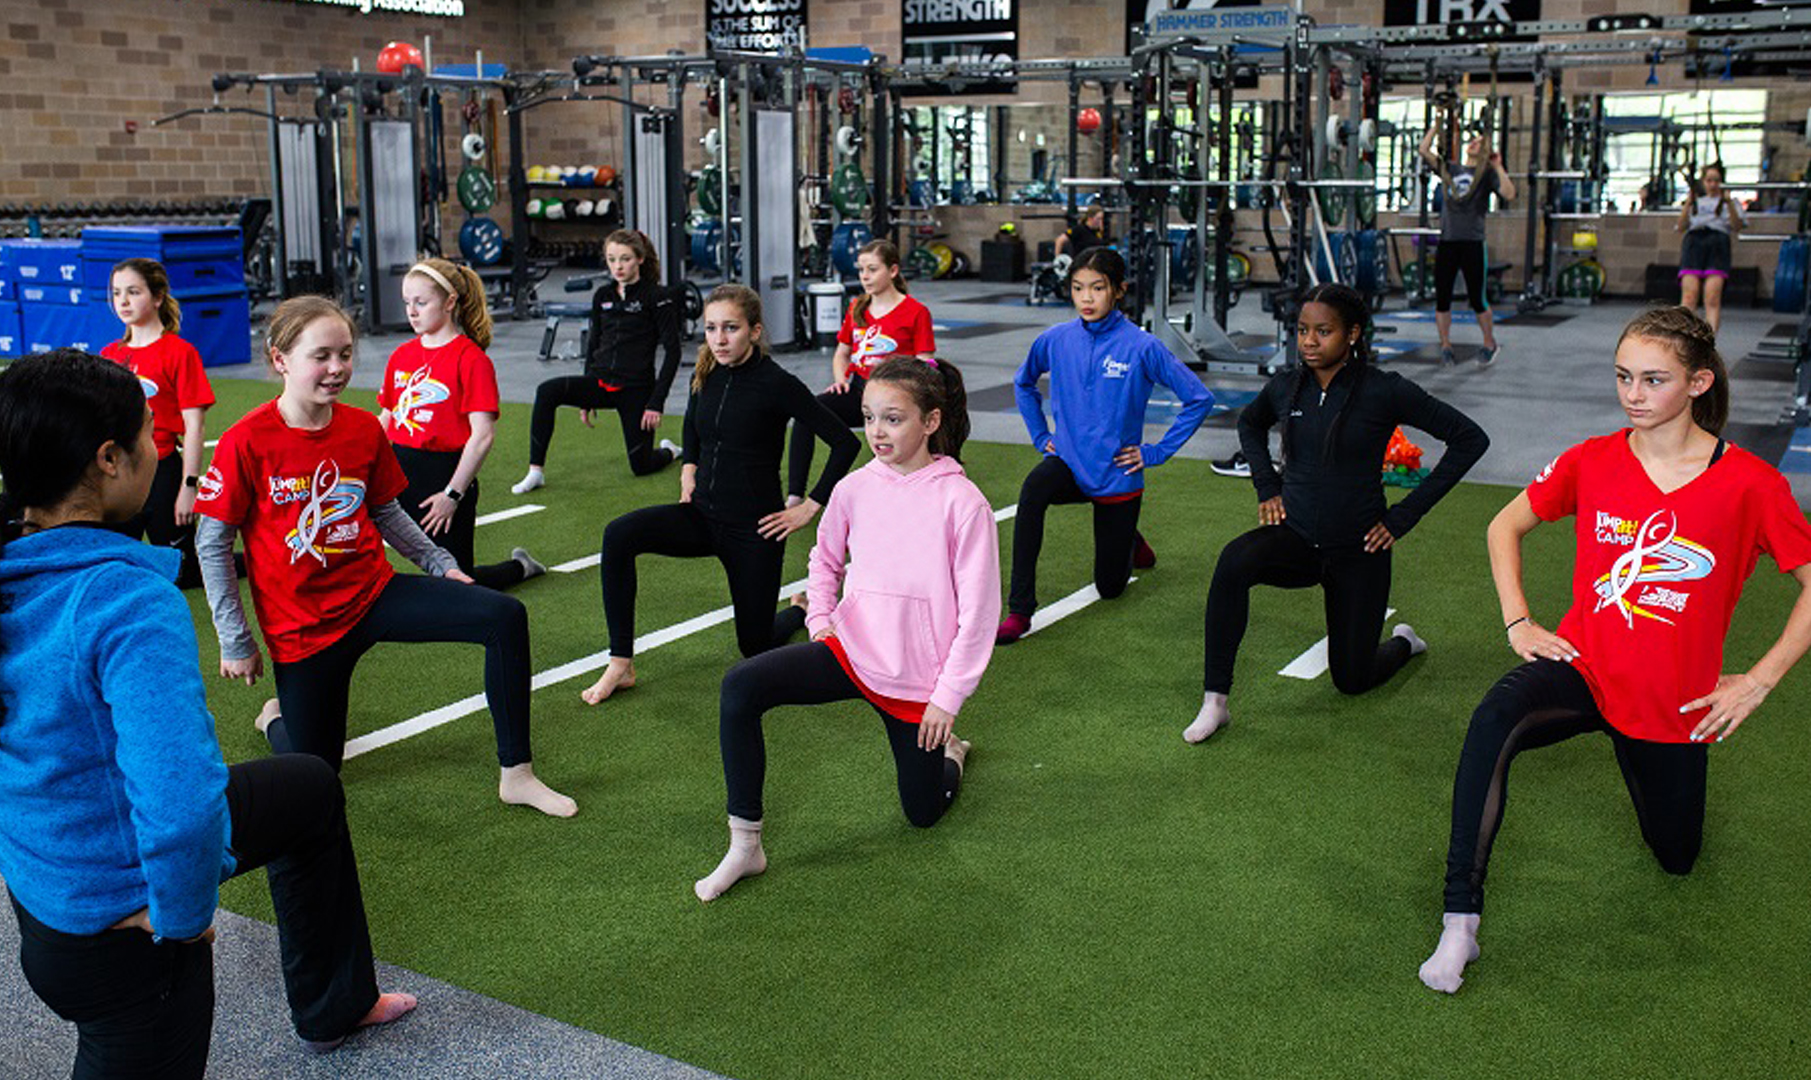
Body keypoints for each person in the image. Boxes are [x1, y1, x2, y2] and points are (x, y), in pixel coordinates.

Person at [0, 351, 417, 1075]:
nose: (158, 454)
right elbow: (183, 809)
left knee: (308, 788)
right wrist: (182, 919)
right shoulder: (126, 601)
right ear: (109, 460)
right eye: (147, 440)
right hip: (124, 936)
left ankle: (335, 1003)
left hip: (46, 905)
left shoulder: (17, 568)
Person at [1418, 306, 1811, 993]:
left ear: (1696, 383)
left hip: (1670, 704)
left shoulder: (1751, 484)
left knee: (1675, 856)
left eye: (1652, 380)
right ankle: (1460, 921)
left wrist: (1758, 679)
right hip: (1582, 668)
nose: (1632, 394)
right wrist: (1519, 624)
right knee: (1490, 722)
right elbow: (1502, 526)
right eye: (1623, 376)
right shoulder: (1590, 460)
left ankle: (1650, 787)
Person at [194, 296, 576, 817]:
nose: (336, 369)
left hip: (374, 593)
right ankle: (276, 720)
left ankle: (518, 774)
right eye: (321, 355)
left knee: (503, 616)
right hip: (302, 627)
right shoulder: (246, 442)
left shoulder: (363, 428)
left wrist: (440, 564)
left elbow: (387, 512)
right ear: (280, 359)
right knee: (318, 774)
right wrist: (236, 638)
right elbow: (212, 544)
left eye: (345, 354)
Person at [694, 355, 997, 902]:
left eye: (893, 418)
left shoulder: (962, 502)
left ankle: (951, 752)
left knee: (923, 814)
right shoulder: (855, 487)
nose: (876, 432)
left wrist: (947, 699)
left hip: (915, 681)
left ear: (930, 422)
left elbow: (979, 614)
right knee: (741, 686)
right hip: (850, 650)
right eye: (869, 417)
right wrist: (821, 622)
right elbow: (824, 560)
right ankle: (746, 845)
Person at [1185, 283, 1489, 743]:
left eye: (1322, 331)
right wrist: (1268, 485)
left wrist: (1403, 516)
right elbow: (1251, 423)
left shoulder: (1384, 391)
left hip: (1359, 551)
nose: (1309, 341)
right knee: (1233, 561)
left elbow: (1470, 439)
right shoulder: (1288, 385)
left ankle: (1404, 642)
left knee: (1352, 680)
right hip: (1299, 540)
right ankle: (1215, 702)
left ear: (1351, 334)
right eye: (1303, 330)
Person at [581, 284, 860, 705]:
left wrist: (808, 507)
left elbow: (844, 443)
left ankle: (799, 611)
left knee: (755, 647)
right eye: (712, 328)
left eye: (731, 328)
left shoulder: (777, 383)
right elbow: (692, 428)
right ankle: (621, 662)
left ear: (754, 330)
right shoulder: (706, 373)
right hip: (701, 517)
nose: (719, 338)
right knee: (619, 535)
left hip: (755, 532)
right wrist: (688, 472)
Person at [996, 247, 1212, 645]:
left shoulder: (1142, 346)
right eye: (1078, 288)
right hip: (1069, 465)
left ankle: (1130, 536)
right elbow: (1023, 383)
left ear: (1118, 291)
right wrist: (1041, 437)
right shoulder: (1055, 339)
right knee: (1033, 490)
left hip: (1117, 474)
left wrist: (1156, 452)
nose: (1087, 298)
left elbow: (1199, 398)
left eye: (1097, 288)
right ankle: (1019, 609)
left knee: (1109, 588)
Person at [380, 257, 544, 591]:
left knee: (458, 583)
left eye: (421, 303)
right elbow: (387, 418)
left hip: (443, 477)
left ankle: (519, 568)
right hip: (398, 471)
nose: (411, 311)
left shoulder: (471, 359)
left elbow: (482, 436)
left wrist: (452, 495)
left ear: (450, 302)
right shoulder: (401, 355)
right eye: (407, 303)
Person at [512, 230, 682, 494]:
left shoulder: (657, 296)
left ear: (639, 258)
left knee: (641, 465)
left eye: (625, 259)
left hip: (636, 389)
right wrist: (585, 396)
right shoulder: (602, 295)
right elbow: (593, 343)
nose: (618, 266)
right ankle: (536, 471)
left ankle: (669, 451)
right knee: (547, 391)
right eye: (612, 259)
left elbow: (673, 352)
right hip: (600, 382)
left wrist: (655, 402)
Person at [785, 239, 934, 508]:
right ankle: (796, 495)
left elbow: (925, 363)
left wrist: (905, 395)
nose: (865, 276)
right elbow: (842, 353)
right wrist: (840, 379)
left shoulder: (916, 312)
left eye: (872, 269)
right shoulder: (857, 307)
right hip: (857, 392)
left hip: (895, 399)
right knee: (806, 413)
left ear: (893, 271)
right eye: (862, 270)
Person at [99, 257, 214, 588]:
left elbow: (194, 427)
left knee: (183, 574)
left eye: (133, 292)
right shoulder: (109, 354)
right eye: (117, 292)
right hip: (120, 473)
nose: (122, 301)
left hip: (163, 471)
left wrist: (188, 488)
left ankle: (244, 560)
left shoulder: (179, 353)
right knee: (114, 568)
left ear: (158, 297)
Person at [1418, 120, 1517, 366]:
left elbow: (1509, 193)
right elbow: (1423, 150)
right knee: (1443, 298)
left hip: (1472, 243)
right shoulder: (1450, 168)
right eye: (1473, 141)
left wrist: (1498, 166)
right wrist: (1438, 124)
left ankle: (1489, 343)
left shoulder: (1486, 175)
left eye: (1480, 143)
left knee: (1477, 299)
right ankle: (1446, 346)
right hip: (1448, 241)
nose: (1474, 143)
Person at [1675, 163, 1746, 335]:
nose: (1713, 184)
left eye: (1716, 181)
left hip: (1718, 244)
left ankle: (1709, 341)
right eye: (1709, 180)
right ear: (1703, 182)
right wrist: (1688, 204)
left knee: (1712, 298)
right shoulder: (1695, 201)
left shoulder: (1731, 203)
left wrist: (1728, 203)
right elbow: (1681, 226)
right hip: (1694, 243)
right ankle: (1685, 338)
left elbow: (1737, 226)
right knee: (1689, 297)